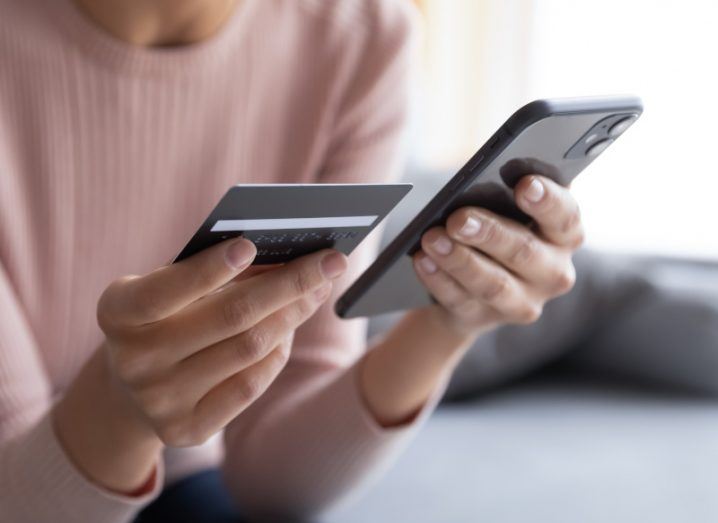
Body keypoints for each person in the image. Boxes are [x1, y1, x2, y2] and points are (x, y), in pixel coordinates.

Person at [0, 0, 585, 521]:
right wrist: (121, 408)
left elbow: (272, 481)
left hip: (168, 480)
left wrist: (446, 323)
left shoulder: (361, 37)